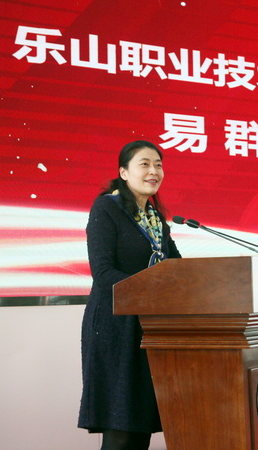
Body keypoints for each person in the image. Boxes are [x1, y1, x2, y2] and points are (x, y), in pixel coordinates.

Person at [78, 140, 182, 450]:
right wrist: (152, 292)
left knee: (140, 424)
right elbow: (103, 273)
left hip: (150, 327)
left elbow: (177, 268)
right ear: (124, 172)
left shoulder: (155, 219)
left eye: (158, 165)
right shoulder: (106, 208)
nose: (154, 171)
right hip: (115, 326)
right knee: (120, 428)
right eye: (145, 164)